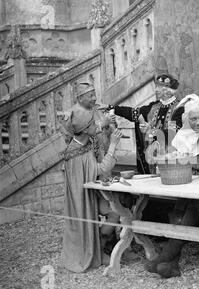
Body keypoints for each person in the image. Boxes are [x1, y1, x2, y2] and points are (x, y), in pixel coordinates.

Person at [144, 94, 199, 278]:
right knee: (179, 212)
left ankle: (166, 257)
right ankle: (171, 263)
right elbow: (174, 160)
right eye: (193, 119)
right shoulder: (182, 136)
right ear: (186, 119)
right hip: (188, 188)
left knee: (188, 208)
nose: (198, 122)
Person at [61, 107, 123, 273]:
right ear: (84, 129)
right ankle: (96, 252)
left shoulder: (83, 142)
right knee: (113, 212)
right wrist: (113, 146)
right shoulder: (77, 152)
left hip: (90, 192)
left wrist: (108, 131)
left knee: (115, 212)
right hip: (82, 197)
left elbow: (99, 138)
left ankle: (100, 248)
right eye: (92, 124)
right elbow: (102, 169)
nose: (95, 125)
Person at [108, 74, 184, 174]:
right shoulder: (154, 106)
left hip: (171, 158)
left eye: (159, 87)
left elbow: (172, 132)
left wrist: (151, 131)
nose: (156, 90)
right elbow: (134, 113)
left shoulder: (179, 108)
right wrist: (113, 108)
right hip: (153, 159)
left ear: (168, 90)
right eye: (156, 86)